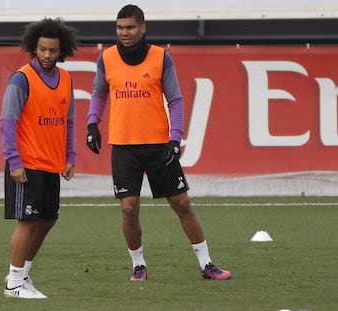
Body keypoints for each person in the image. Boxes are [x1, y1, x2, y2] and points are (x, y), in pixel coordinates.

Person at [86, 4, 231, 282]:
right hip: (124, 147)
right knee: (129, 208)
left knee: (182, 203)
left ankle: (206, 264)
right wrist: (93, 123)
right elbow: (99, 93)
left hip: (158, 146)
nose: (124, 33)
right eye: (119, 28)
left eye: (129, 27)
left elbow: (175, 99)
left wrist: (175, 139)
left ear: (143, 28)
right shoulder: (107, 58)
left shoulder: (160, 58)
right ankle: (138, 264)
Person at [0, 17, 78, 299]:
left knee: (47, 219)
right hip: (27, 163)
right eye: (42, 49)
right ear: (34, 48)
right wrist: (14, 161)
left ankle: (22, 274)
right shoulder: (21, 78)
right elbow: (7, 121)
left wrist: (69, 156)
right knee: (28, 221)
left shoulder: (66, 78)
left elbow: (69, 120)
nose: (47, 55)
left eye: (53, 50)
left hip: (51, 165)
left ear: (62, 51)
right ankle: (14, 284)